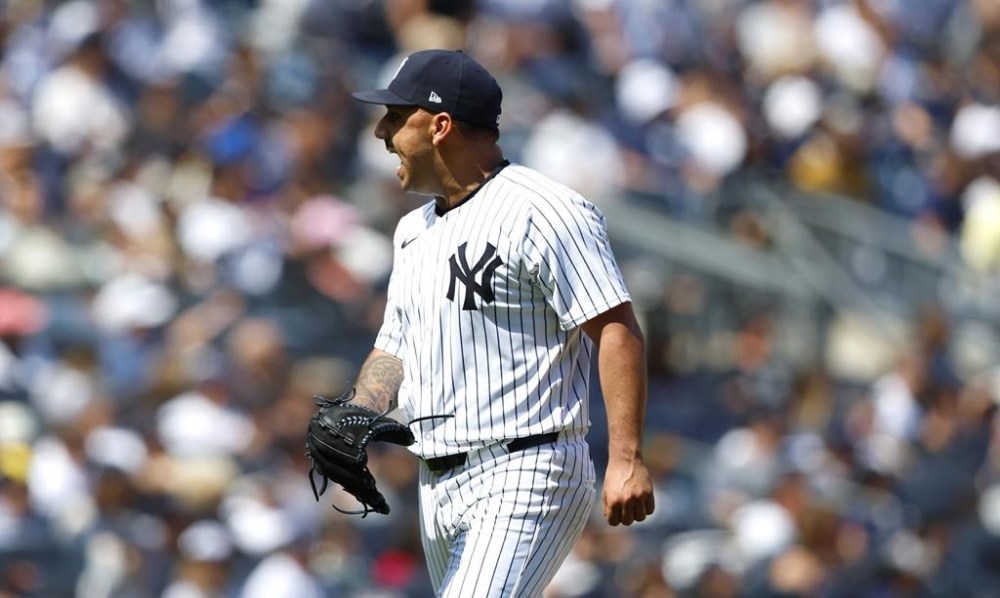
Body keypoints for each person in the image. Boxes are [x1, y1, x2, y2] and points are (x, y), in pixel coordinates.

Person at [348, 48, 655, 596]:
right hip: (437, 479)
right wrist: (356, 414)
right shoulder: (412, 232)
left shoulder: (545, 210)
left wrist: (626, 457)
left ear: (440, 125)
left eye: (396, 117)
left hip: (528, 466)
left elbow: (614, 326)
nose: (381, 131)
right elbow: (394, 350)